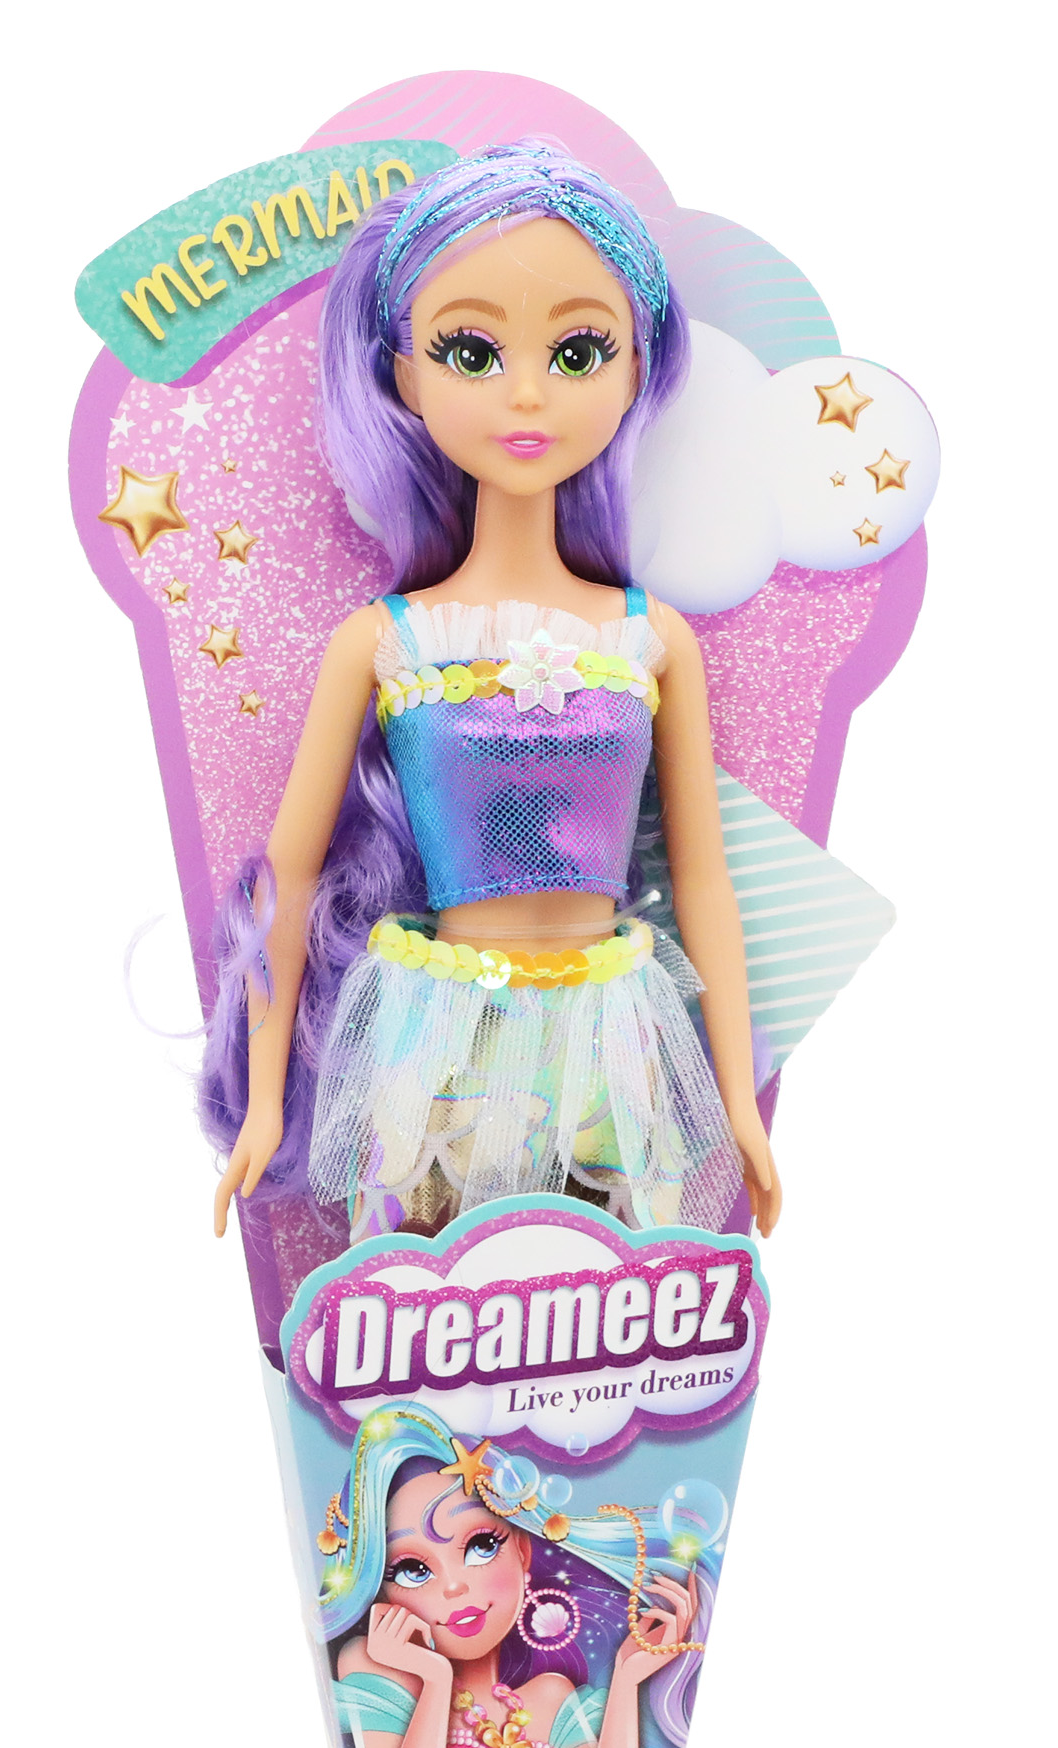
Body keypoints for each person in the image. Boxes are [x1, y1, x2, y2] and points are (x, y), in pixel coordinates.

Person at [201, 144, 780, 1244]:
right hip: (440, 1041)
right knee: (422, 1296)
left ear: (636, 369)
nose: (526, 392)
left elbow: (705, 879)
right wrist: (265, 1102)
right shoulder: (387, 642)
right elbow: (288, 878)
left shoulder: (649, 638)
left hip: (612, 1035)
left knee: (602, 1296)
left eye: (577, 351)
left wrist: (740, 1107)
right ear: (403, 375)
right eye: (470, 351)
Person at [323, 1404, 709, 1748]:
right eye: (413, 1570)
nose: (455, 1586)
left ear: (523, 1553)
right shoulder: (374, 1668)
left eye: (482, 1544)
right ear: (378, 1587)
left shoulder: (548, 1698)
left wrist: (627, 1678)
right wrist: (435, 1681)